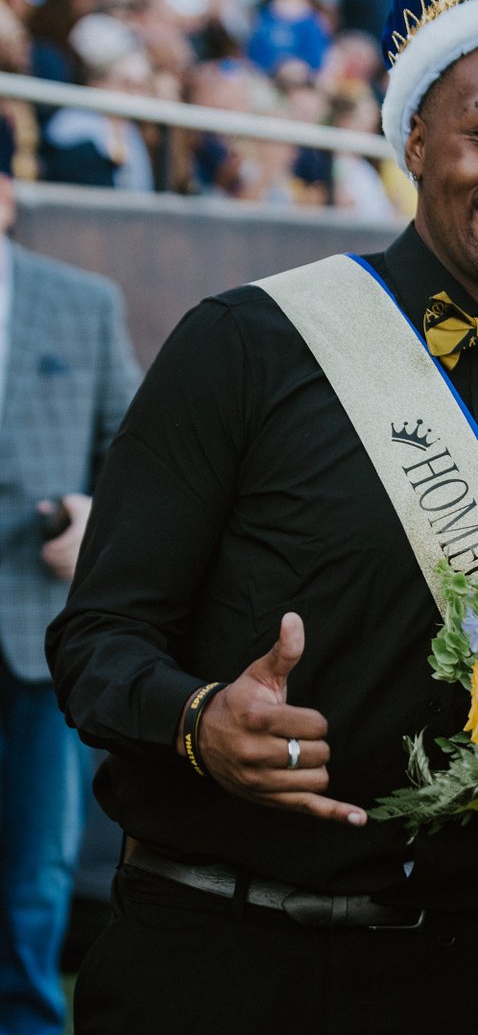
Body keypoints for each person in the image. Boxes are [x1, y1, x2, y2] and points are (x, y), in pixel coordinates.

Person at [46, 0, 478, 1034]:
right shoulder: (247, 343)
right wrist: (199, 721)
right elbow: (96, 640)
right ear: (416, 139)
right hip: (212, 962)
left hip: (474, 978)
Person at [0, 160, 140, 1034]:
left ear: (5, 195)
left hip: (36, 630)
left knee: (38, 867)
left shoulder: (83, 303)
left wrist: (93, 514)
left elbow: (136, 452)